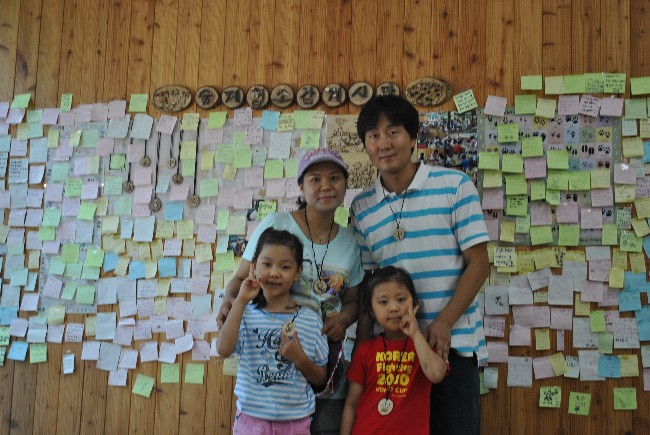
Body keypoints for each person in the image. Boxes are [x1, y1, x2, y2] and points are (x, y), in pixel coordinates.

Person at [351, 95, 490, 435]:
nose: (384, 143)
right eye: (373, 135)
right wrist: (363, 346)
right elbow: (369, 280)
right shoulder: (362, 207)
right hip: (394, 355)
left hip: (451, 346)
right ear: (366, 146)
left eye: (393, 132)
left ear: (413, 138)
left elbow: (479, 264)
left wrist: (444, 323)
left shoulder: (455, 186)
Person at [218, 148, 364, 434]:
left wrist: (343, 319)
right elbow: (239, 280)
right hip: (268, 351)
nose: (325, 186)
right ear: (301, 186)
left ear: (345, 185)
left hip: (320, 351)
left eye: (334, 178)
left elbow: (353, 302)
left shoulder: (350, 242)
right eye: (315, 179)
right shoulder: (277, 224)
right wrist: (229, 303)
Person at [217, 228, 329, 434]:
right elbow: (223, 349)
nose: (274, 273)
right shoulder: (243, 312)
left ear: (297, 273)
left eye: (285, 267)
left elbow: (321, 378)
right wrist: (241, 299)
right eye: (267, 264)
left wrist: (299, 358)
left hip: (294, 424)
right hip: (250, 422)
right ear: (254, 267)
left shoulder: (310, 319)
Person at [340, 266, 448, 435]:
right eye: (383, 302)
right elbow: (351, 404)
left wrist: (416, 334)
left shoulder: (424, 346)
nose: (393, 308)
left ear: (415, 303)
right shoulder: (365, 351)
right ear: (372, 310)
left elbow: (436, 375)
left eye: (401, 299)